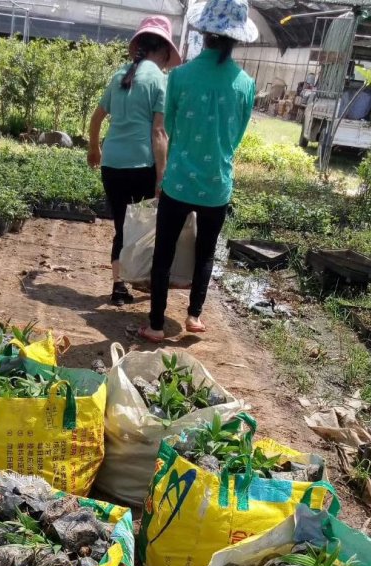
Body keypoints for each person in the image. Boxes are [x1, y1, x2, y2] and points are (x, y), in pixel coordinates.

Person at [140, 0, 257, 341]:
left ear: (204, 33)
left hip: (178, 181)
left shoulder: (179, 76)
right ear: (235, 39)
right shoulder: (245, 84)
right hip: (217, 183)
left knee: (164, 252)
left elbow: (169, 128)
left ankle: (157, 325)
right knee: (206, 252)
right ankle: (193, 316)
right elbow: (236, 137)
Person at [88, 16, 181, 306]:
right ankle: (140, 278)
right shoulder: (160, 81)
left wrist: (94, 149)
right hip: (141, 167)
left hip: (112, 165)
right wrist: (161, 175)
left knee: (121, 226)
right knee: (140, 228)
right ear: (165, 51)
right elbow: (158, 132)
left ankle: (118, 287)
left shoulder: (119, 76)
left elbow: (96, 118)